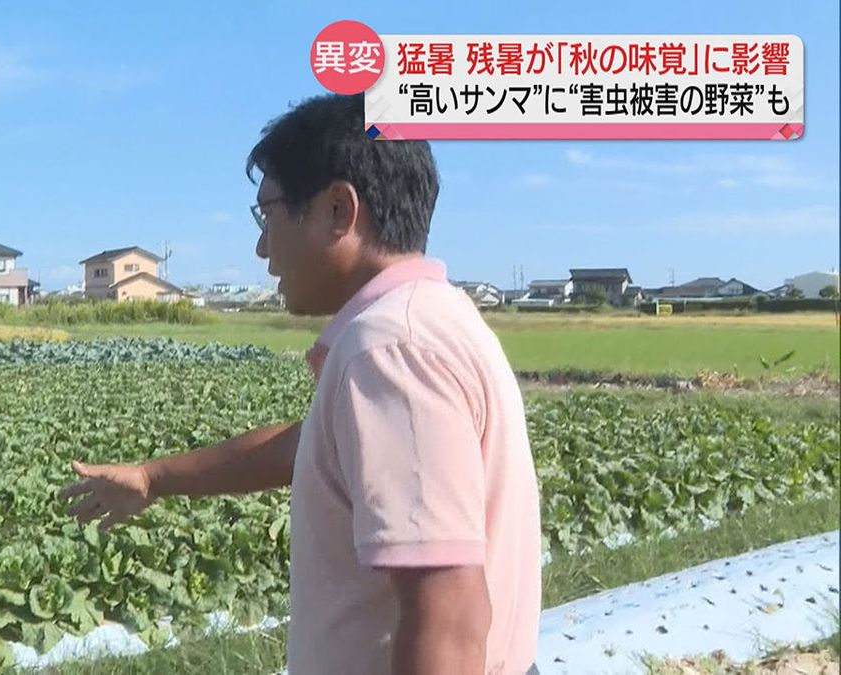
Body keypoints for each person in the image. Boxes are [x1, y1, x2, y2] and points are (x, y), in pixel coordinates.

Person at [59, 93, 541, 675]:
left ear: (339, 210)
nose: (263, 247)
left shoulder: (391, 349)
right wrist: (151, 478)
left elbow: (448, 612)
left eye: (270, 213)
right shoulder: (437, 315)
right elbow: (306, 445)